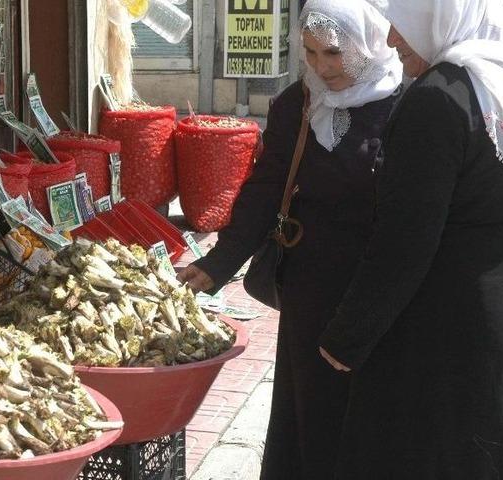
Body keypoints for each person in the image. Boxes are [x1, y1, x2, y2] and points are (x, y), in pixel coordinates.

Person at [318, 0, 503, 478]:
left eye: (402, 24)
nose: (391, 41)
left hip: (449, 342)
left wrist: (346, 338)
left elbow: (404, 243)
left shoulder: (437, 98)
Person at [177, 0, 403, 477]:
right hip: (311, 287)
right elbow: (266, 188)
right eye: (312, 53)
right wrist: (219, 263)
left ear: (368, 43)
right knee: (311, 412)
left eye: (335, 54)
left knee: (375, 414)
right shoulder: (296, 104)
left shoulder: (405, 105)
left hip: (380, 285)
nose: (322, 67)